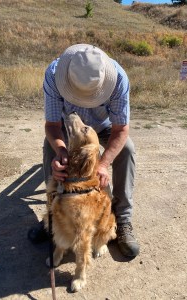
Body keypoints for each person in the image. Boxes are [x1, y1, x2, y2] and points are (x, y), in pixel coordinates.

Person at [28, 44, 139, 258]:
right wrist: (61, 152)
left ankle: (123, 219)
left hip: (103, 127)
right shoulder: (53, 75)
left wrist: (103, 164)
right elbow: (52, 126)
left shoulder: (119, 80)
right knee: (49, 150)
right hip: (68, 128)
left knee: (126, 148)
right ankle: (53, 215)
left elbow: (121, 129)